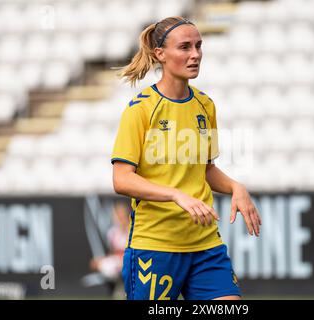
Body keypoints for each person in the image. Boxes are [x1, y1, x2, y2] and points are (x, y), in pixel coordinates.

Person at [111, 16, 262, 300]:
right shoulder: (140, 109)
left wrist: (235, 187)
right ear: (160, 54)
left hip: (204, 244)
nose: (195, 55)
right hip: (155, 246)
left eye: (198, 46)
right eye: (184, 47)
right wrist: (176, 195)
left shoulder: (205, 105)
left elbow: (205, 170)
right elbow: (121, 179)